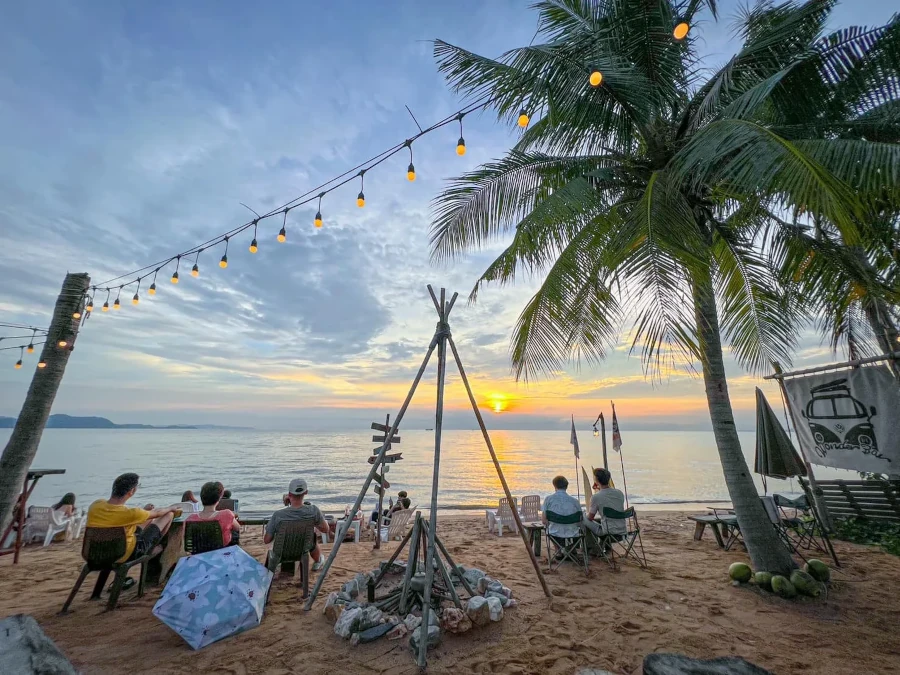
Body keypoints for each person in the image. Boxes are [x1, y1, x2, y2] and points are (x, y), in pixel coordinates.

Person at [87, 473, 179, 564]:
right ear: (132, 491)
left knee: (148, 519)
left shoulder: (96, 504)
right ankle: (152, 548)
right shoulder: (131, 513)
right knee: (169, 514)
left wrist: (144, 511)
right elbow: (158, 513)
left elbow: (120, 518)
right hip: (124, 554)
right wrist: (171, 508)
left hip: (97, 554)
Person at [265, 479, 330, 571]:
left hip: (280, 553)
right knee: (313, 537)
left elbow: (267, 540)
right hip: (303, 552)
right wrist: (315, 524)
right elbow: (325, 529)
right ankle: (318, 560)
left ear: (289, 494)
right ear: (306, 492)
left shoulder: (278, 515)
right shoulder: (313, 511)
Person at [186, 481, 241, 546]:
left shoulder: (190, 518)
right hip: (222, 551)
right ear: (218, 499)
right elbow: (238, 528)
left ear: (201, 497)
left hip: (200, 553)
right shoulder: (227, 514)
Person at [584, 467, 627, 537]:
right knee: (602, 521)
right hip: (622, 531)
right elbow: (613, 506)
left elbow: (590, 518)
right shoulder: (619, 493)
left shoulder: (596, 497)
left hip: (607, 533)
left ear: (596, 480)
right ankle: (607, 547)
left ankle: (590, 546)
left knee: (583, 518)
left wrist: (585, 514)